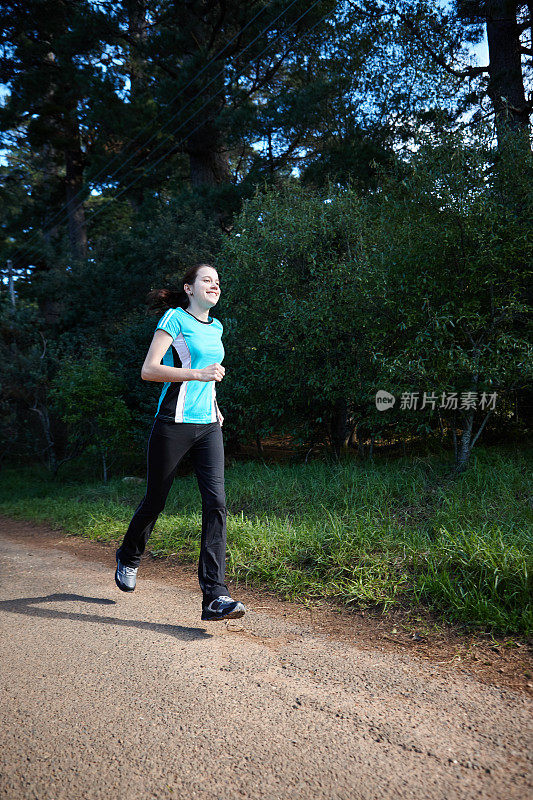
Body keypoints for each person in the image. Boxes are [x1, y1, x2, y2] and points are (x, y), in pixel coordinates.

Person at [114, 263, 246, 622]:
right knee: (156, 500)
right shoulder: (174, 319)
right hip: (173, 423)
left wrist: (214, 406)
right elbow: (150, 369)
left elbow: (210, 380)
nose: (214, 286)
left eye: (218, 282)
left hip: (208, 427)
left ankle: (215, 595)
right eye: (207, 280)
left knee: (216, 502)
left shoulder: (217, 326)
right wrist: (198, 374)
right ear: (189, 288)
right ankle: (129, 555)